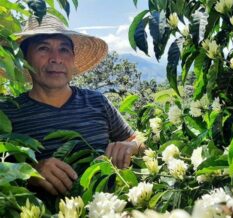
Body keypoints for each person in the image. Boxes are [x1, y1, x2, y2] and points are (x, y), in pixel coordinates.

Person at [0, 14, 145, 196]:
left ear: (73, 58)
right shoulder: (7, 114)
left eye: (64, 49)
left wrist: (132, 147)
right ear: (25, 58)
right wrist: (28, 172)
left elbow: (137, 141)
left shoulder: (97, 102)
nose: (56, 58)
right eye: (43, 48)